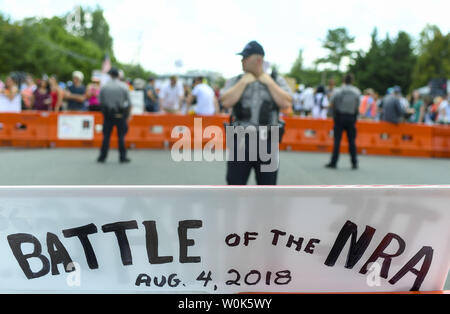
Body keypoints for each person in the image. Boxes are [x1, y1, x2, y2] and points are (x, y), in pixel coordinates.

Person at [220, 41, 292, 185]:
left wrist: (269, 82)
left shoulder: (276, 80)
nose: (242, 61)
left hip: (267, 141)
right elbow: (225, 101)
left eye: (246, 57)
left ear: (258, 60)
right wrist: (243, 83)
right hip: (241, 140)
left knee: (267, 188)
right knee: (235, 185)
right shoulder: (237, 80)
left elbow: (286, 103)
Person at [326, 73, 361, 170]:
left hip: (340, 117)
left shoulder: (338, 91)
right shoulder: (356, 92)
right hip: (351, 117)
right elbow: (357, 106)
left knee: (337, 141)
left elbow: (332, 103)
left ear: (343, 80)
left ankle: (334, 162)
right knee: (352, 141)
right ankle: (354, 162)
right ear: (352, 81)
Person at [97, 68, 132, 164]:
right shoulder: (123, 86)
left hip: (108, 114)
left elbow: (100, 101)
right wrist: (128, 115)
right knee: (121, 136)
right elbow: (129, 103)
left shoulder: (105, 87)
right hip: (120, 114)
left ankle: (102, 156)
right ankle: (122, 156)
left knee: (106, 136)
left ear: (110, 75)